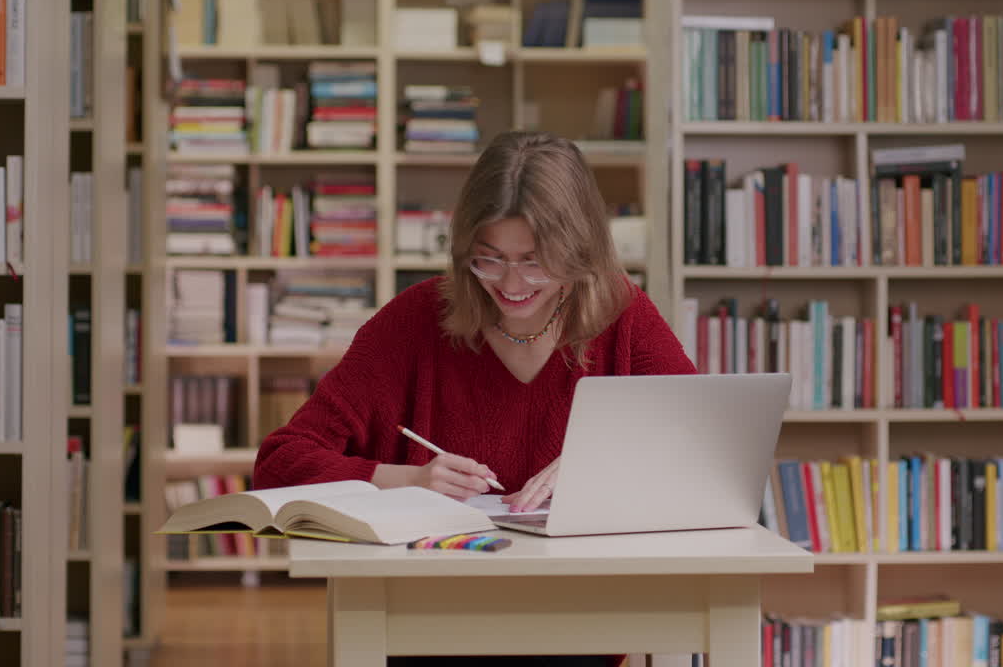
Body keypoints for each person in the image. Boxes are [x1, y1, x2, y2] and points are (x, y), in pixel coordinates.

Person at [252, 130, 698, 666]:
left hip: (578, 614)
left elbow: (701, 451)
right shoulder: (414, 323)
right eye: (489, 260)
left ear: (580, 251)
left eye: (536, 262)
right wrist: (405, 479)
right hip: (430, 615)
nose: (511, 284)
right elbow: (278, 464)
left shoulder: (622, 315)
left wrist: (603, 463)